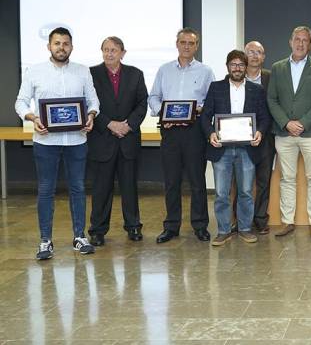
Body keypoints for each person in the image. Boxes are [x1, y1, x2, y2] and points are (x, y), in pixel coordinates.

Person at [15, 27, 100, 259]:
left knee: (78, 188)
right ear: (49, 46)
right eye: (57, 43)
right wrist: (32, 117)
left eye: (65, 43)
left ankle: (79, 237)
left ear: (71, 46)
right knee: (45, 190)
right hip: (45, 141)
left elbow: (93, 101)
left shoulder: (83, 71)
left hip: (76, 140)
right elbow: (21, 102)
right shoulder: (34, 71)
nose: (61, 47)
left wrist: (90, 116)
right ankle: (45, 241)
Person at [149, 27, 216, 243]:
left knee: (197, 182)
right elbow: (154, 97)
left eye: (191, 43)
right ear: (177, 44)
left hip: (194, 132)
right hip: (170, 132)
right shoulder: (164, 70)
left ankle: (199, 226)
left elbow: (211, 101)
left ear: (197, 46)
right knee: (171, 182)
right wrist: (163, 113)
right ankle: (171, 226)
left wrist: (197, 109)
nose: (186, 46)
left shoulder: (205, 72)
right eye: (183, 42)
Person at [200, 50, 271, 246]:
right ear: (228, 67)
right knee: (222, 193)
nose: (237, 68)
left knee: (246, 192)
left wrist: (260, 133)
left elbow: (265, 118)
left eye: (241, 64)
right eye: (233, 64)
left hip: (247, 149)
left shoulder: (257, 91)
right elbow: (206, 117)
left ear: (246, 67)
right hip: (221, 149)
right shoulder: (216, 88)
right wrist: (210, 134)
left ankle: (245, 229)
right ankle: (223, 230)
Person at [267, 26, 311, 239]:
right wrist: (286, 123)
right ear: (290, 41)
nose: (300, 43)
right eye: (297, 39)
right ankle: (287, 221)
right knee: (287, 178)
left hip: (310, 133)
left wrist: (302, 123)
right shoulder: (278, 68)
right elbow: (272, 99)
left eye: (305, 40)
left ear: (310, 44)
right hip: (284, 134)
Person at [87, 36, 148, 246]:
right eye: (105, 49)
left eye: (113, 50)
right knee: (101, 188)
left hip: (128, 139)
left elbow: (142, 103)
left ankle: (133, 226)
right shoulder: (91, 74)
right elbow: (88, 103)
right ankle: (97, 230)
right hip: (102, 139)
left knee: (130, 187)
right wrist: (109, 124)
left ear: (123, 52)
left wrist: (128, 125)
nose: (109, 53)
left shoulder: (135, 74)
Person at [243, 40, 275, 234]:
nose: (255, 56)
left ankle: (260, 219)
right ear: (244, 55)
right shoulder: (235, 76)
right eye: (251, 52)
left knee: (264, 180)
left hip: (266, 137)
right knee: (242, 182)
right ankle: (241, 219)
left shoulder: (272, 78)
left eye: (259, 52)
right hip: (241, 137)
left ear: (264, 57)